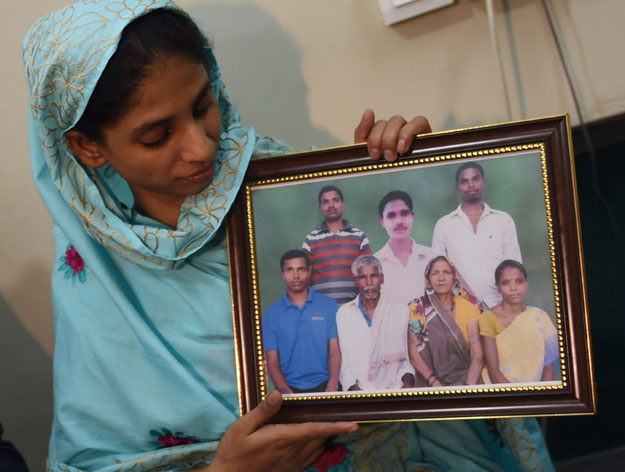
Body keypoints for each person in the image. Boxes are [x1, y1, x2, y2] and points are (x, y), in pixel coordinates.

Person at [23, 1, 555, 470]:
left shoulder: (282, 182)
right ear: (89, 147)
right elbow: (97, 458)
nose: (202, 147)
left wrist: (396, 172)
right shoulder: (96, 280)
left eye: (203, 106)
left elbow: (406, 305)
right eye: (159, 135)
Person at [431, 161, 523, 308]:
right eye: (464, 181)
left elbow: (514, 267)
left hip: (499, 303)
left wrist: (510, 305)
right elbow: (436, 272)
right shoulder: (444, 225)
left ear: (483, 181)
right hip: (459, 305)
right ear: (457, 187)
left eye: (475, 179)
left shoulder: (503, 220)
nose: (471, 185)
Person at [262, 250, 340, 393]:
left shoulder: (329, 306)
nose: (296, 276)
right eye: (289, 270)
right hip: (289, 389)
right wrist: (286, 392)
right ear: (283, 275)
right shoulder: (271, 315)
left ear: (309, 272)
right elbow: (272, 363)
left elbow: (334, 351)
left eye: (301, 269)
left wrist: (333, 385)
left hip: (326, 386)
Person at [336, 255, 415, 391]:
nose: (369, 282)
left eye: (374, 276)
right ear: (356, 281)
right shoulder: (344, 314)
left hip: (395, 391)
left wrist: (406, 386)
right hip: (358, 394)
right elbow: (344, 363)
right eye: (363, 277)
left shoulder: (400, 310)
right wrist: (355, 392)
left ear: (382, 278)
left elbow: (406, 360)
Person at [408, 256, 484, 387]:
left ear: (454, 277)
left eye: (446, 272)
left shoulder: (468, 306)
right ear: (428, 279)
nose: (441, 278)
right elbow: (414, 352)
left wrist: (467, 388)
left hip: (467, 380)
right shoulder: (417, 309)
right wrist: (435, 384)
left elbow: (477, 353)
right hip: (431, 384)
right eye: (435, 273)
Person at [480, 260, 559, 384]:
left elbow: (548, 366)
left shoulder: (538, 317)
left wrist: (541, 395)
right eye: (506, 283)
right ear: (498, 288)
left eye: (519, 281)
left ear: (526, 284)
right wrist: (517, 396)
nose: (513, 288)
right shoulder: (488, 318)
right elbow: (493, 371)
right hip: (503, 391)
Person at [302, 186, 371, 305]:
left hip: (354, 310)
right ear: (320, 207)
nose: (331, 205)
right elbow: (304, 279)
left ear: (343, 204)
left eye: (335, 200)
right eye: (325, 202)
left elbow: (368, 275)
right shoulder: (310, 240)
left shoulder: (360, 237)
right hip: (321, 311)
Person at [374, 190, 434, 305]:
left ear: (412, 216)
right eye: (391, 215)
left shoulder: (431, 258)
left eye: (404, 213)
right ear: (382, 221)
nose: (399, 221)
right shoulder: (375, 265)